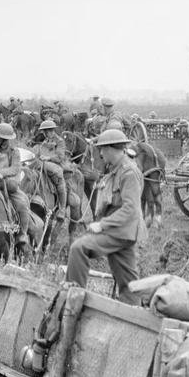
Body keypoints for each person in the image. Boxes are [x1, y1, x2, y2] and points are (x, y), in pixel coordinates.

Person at [66, 129, 143, 304]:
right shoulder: (116, 170)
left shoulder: (128, 173)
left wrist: (102, 225)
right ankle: (136, 314)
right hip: (121, 231)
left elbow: (131, 209)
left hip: (120, 231)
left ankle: (72, 299)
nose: (100, 154)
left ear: (112, 149)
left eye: (102, 149)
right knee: (129, 284)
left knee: (79, 248)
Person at [0, 122, 35, 250]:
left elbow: (15, 169)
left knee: (21, 203)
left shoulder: (14, 152)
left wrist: (0, 173)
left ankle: (22, 234)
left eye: (1, 139)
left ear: (6, 140)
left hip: (7, 183)